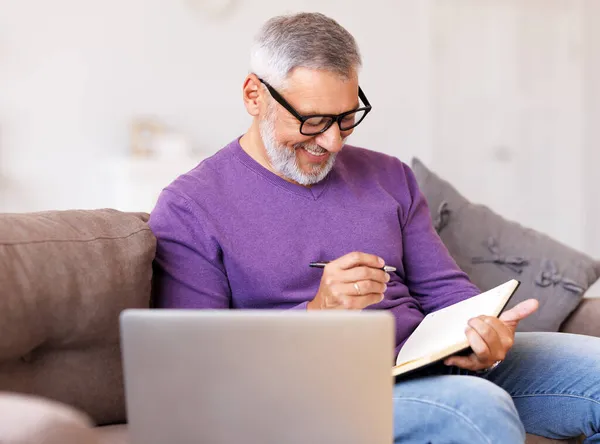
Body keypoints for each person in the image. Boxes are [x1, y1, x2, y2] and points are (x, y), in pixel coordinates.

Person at [149, 12, 600, 443]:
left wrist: (482, 327)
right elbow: (194, 369)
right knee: (476, 407)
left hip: (429, 364)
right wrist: (318, 313)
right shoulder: (192, 206)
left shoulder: (389, 177)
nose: (333, 141)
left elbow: (445, 290)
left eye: (346, 118)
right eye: (314, 121)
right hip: (316, 393)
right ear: (254, 96)